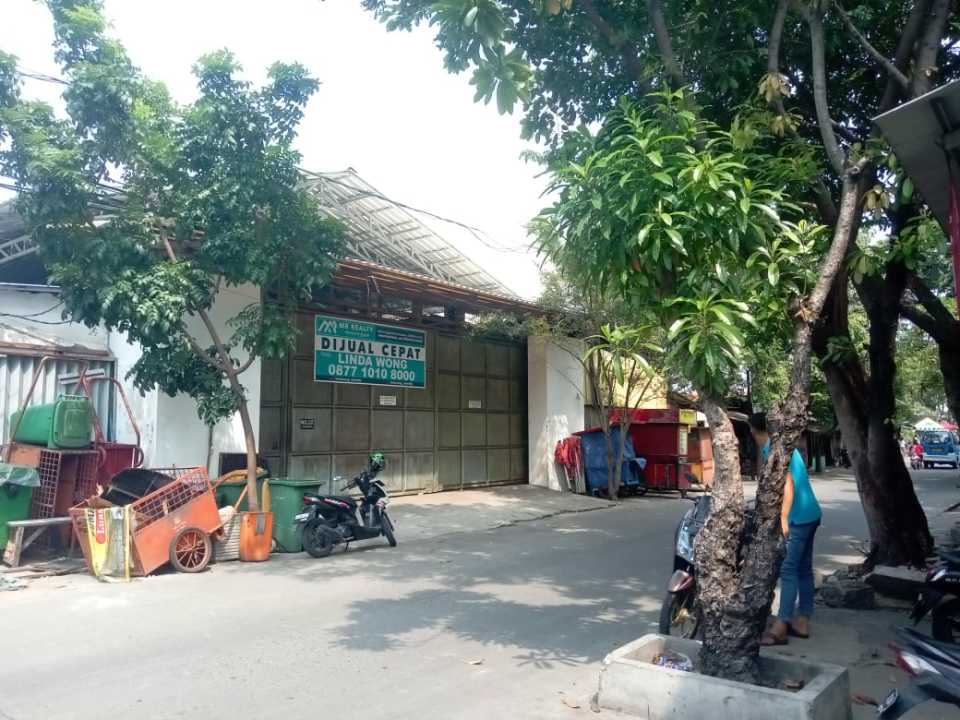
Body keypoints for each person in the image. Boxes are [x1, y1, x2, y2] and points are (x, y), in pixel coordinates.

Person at [750, 413, 823, 646]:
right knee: (803, 569)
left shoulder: (772, 449)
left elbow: (787, 484)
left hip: (797, 518)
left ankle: (781, 626)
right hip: (811, 514)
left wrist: (782, 518)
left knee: (788, 569)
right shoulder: (786, 445)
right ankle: (802, 620)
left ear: (753, 430)